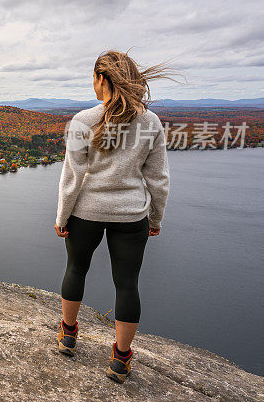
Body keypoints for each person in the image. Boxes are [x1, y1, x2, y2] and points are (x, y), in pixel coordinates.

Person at [54, 49, 175, 384]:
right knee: (127, 284)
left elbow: (72, 177)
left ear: (101, 79)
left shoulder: (82, 120)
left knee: (76, 269)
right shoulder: (150, 122)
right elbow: (158, 179)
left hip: (86, 213)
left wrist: (63, 216)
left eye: (94, 78)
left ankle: (67, 336)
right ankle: (120, 360)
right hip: (131, 216)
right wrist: (155, 218)